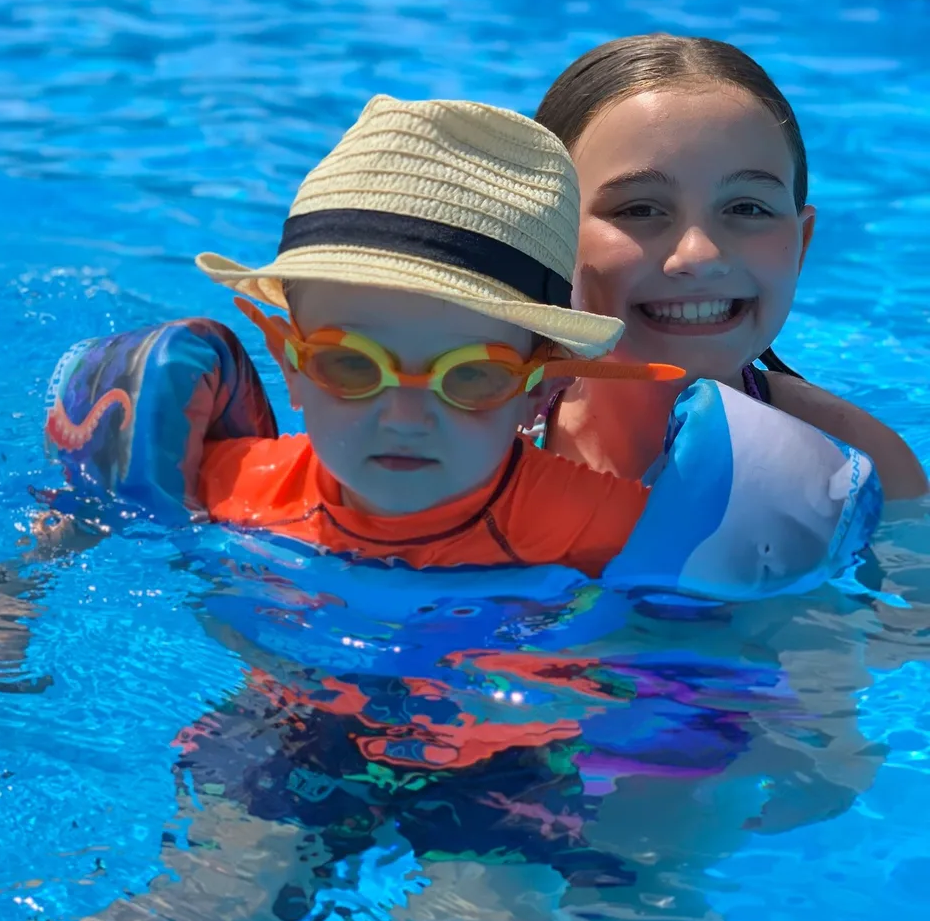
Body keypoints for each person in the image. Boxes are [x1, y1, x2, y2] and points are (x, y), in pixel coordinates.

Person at [192, 92, 678, 567]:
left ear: (539, 387)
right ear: (291, 367)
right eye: (351, 363)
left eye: (470, 375)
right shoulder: (216, 486)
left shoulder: (611, 531)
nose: (406, 418)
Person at [534, 34, 928, 501]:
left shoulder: (861, 468)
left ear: (801, 245)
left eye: (747, 209)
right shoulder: (467, 443)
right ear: (547, 241)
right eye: (639, 210)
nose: (700, 256)